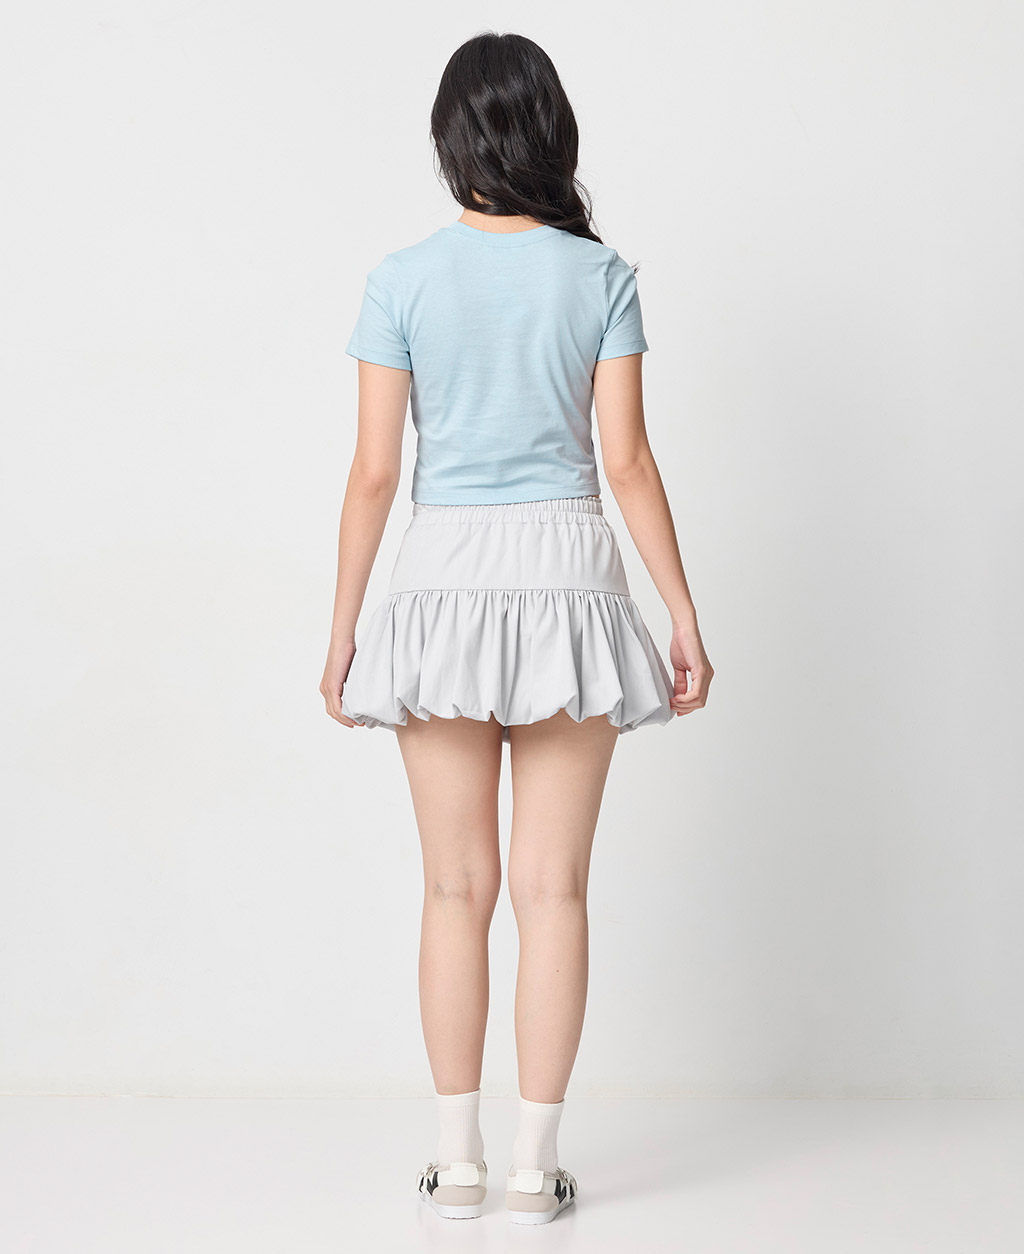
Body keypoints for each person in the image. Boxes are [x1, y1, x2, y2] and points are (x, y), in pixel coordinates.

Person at [320, 30, 713, 1225]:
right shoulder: (600, 278)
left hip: (439, 580)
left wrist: (342, 629)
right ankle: (538, 1171)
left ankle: (458, 1165)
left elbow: (375, 474)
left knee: (455, 888)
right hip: (570, 582)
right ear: (552, 133)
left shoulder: (400, 279)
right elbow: (627, 461)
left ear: (451, 141)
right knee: (554, 890)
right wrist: (681, 615)